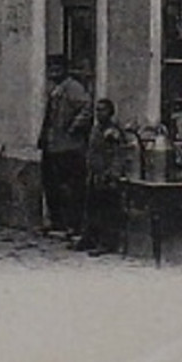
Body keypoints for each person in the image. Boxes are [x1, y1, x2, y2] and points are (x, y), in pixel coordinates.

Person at [37, 55, 91, 235]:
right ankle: (57, 222)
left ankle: (73, 224)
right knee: (52, 185)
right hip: (52, 144)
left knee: (71, 187)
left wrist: (74, 127)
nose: (53, 71)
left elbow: (87, 108)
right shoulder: (54, 88)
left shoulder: (73, 87)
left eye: (57, 67)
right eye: (50, 67)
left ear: (65, 69)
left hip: (69, 146)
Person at [78, 99, 130, 255]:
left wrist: (112, 174)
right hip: (94, 175)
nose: (99, 113)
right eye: (97, 110)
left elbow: (118, 155)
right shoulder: (95, 129)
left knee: (107, 211)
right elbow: (91, 152)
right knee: (91, 208)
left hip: (107, 177)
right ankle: (89, 238)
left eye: (103, 110)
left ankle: (106, 243)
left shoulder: (113, 132)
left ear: (110, 112)